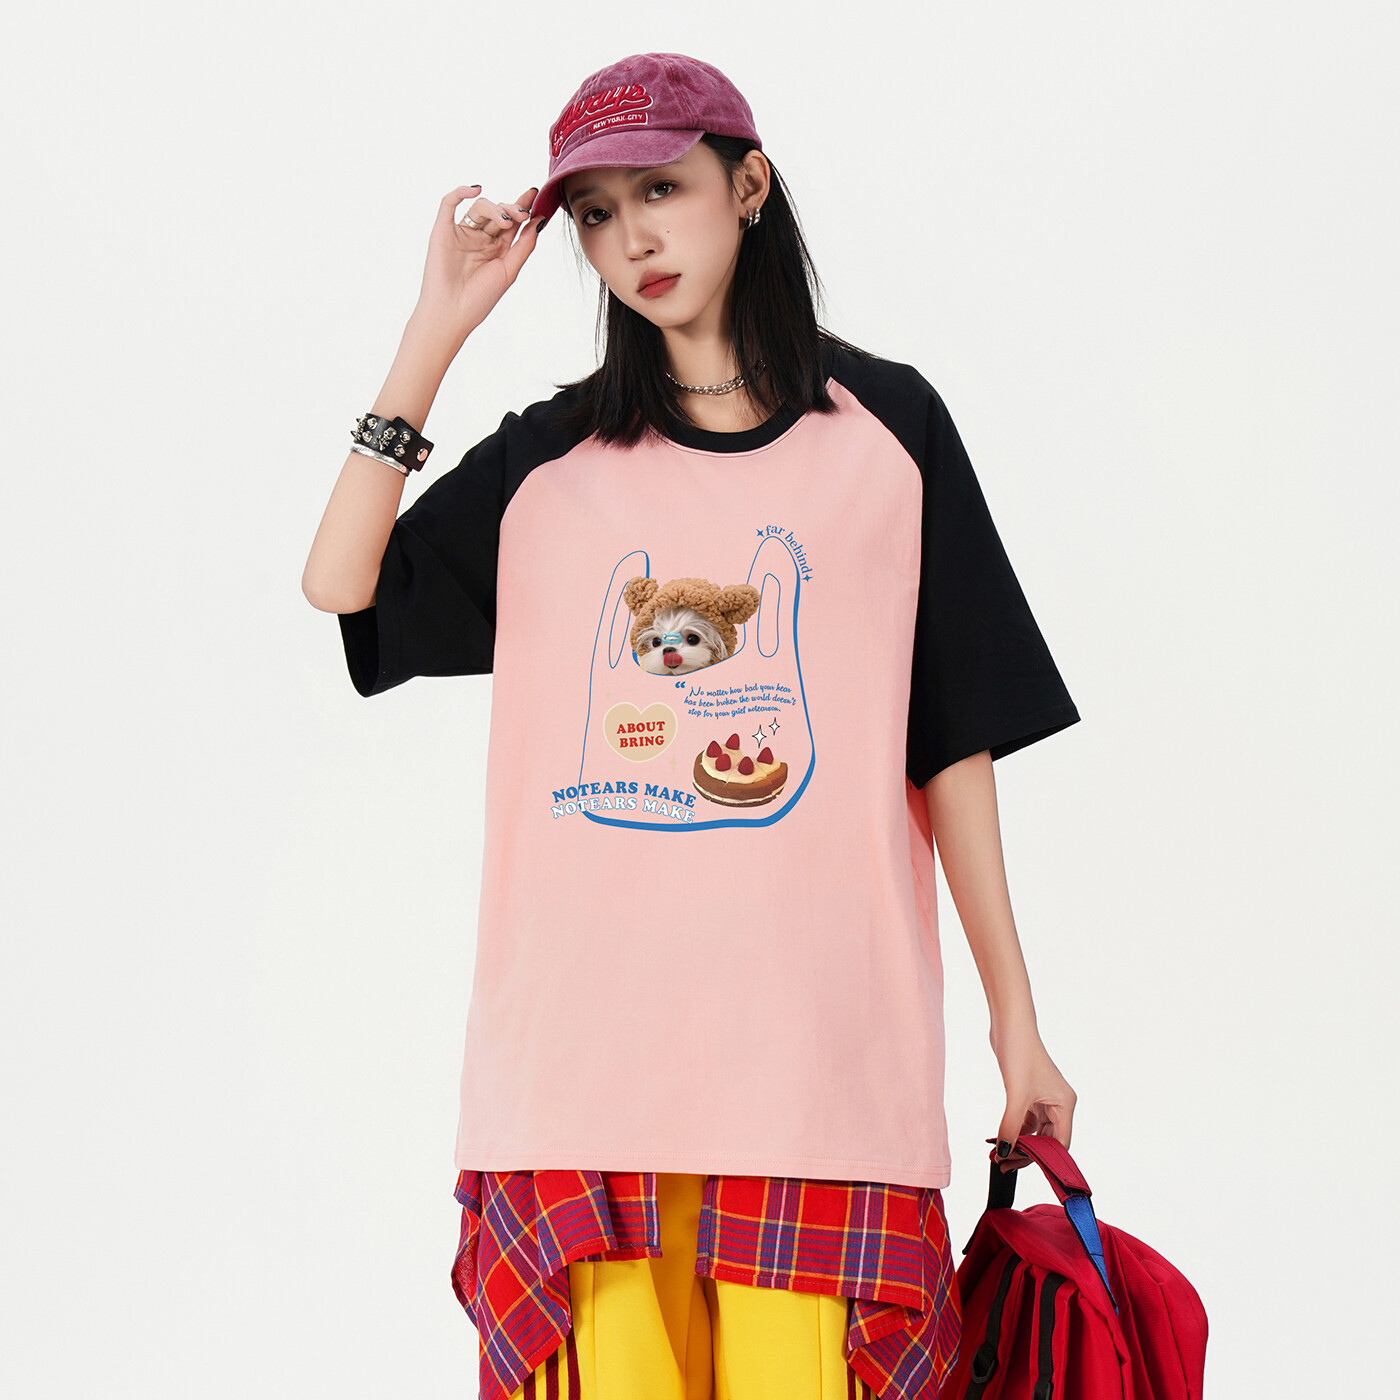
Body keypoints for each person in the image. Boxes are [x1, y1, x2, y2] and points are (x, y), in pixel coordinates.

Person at [302, 51, 1080, 1400]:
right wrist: (437, 331)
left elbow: (952, 743)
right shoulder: (555, 463)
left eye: (661, 189)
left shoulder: (889, 432)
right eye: (597, 214)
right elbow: (341, 585)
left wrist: (1020, 1024)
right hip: (579, 1086)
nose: (633, 240)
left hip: (821, 1081)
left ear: (750, 184)